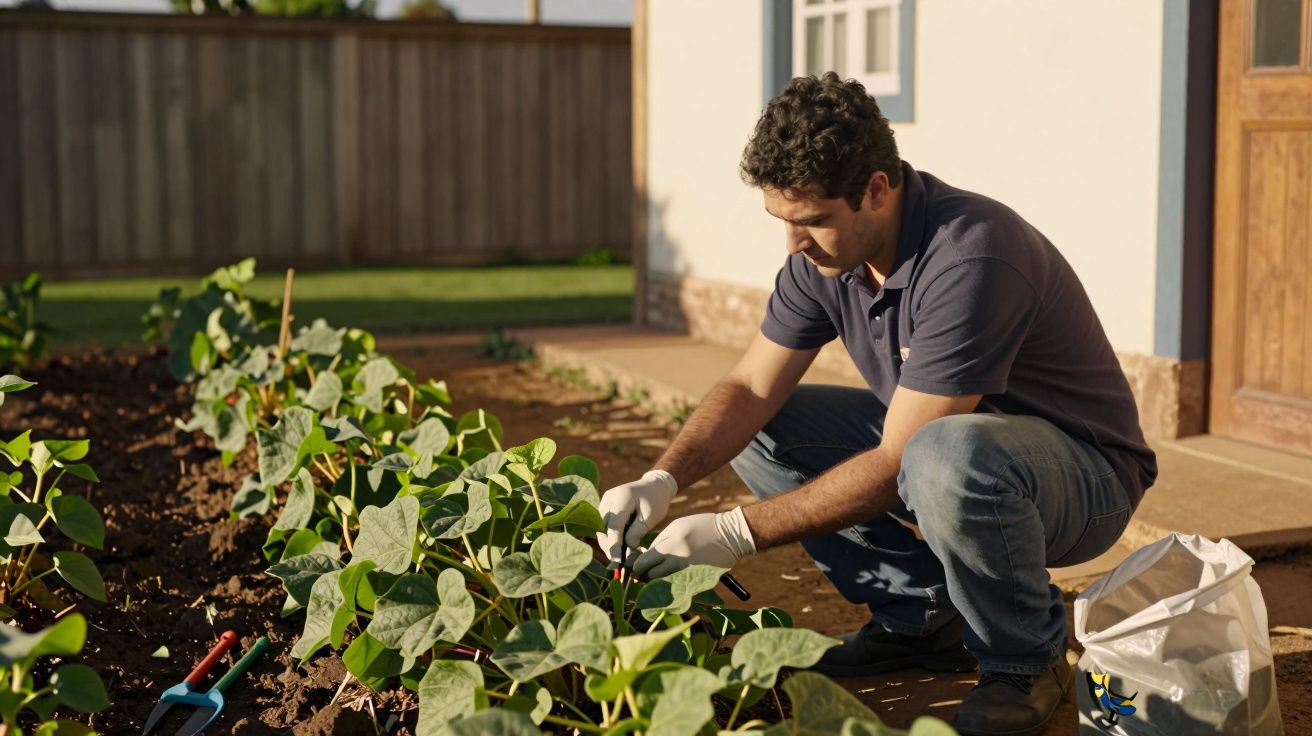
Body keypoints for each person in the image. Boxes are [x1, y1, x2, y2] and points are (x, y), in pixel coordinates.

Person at [595, 73, 1157, 736]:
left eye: (811, 222)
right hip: (948, 449)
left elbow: (900, 459)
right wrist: (664, 477)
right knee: (765, 427)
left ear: (876, 191)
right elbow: (749, 388)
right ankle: (919, 616)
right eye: (782, 221)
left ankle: (1024, 659)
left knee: (942, 455)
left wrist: (733, 532)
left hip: (1081, 480)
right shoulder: (823, 260)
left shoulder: (973, 254)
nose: (793, 244)